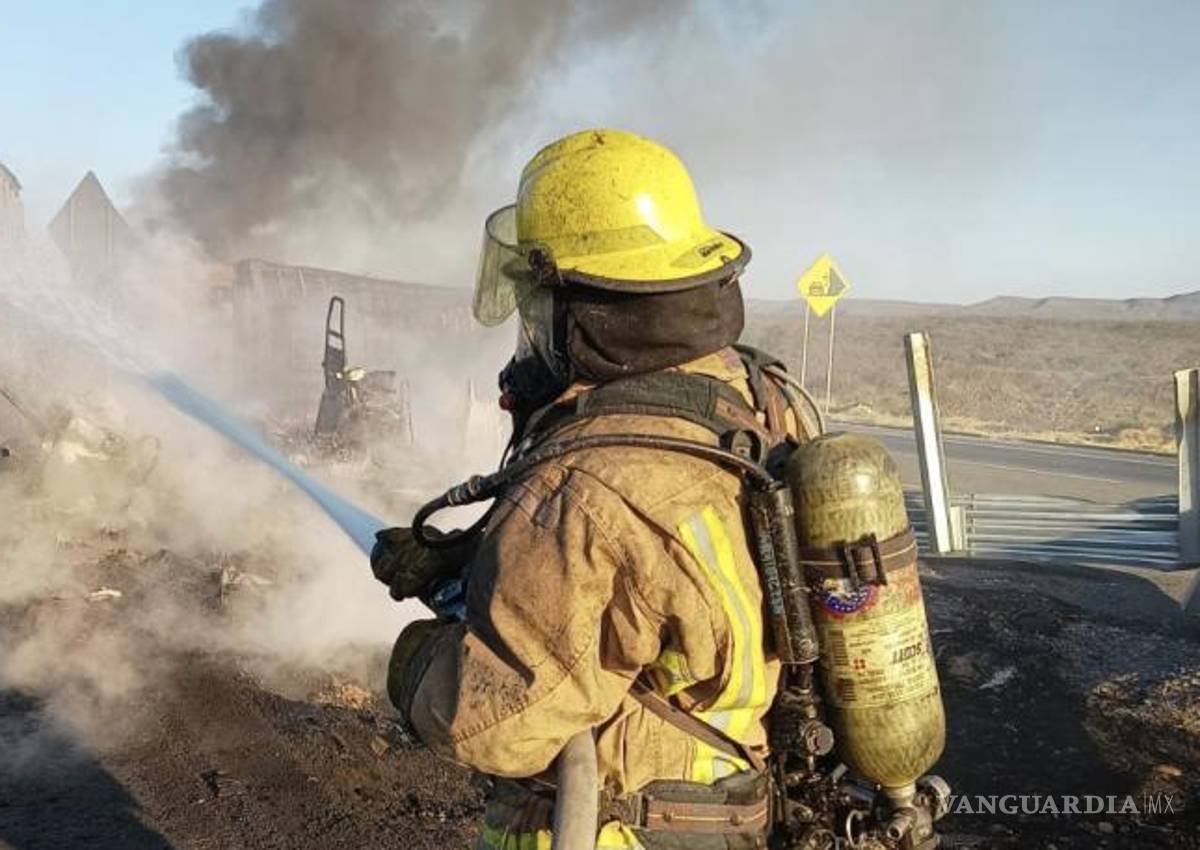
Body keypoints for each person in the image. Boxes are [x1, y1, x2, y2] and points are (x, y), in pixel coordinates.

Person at [371, 129, 821, 850]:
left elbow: (493, 724)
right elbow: (665, 582)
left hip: (624, 826)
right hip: (743, 805)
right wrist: (475, 567)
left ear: (583, 304)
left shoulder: (587, 483)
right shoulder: (760, 401)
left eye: (538, 302)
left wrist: (418, 663)